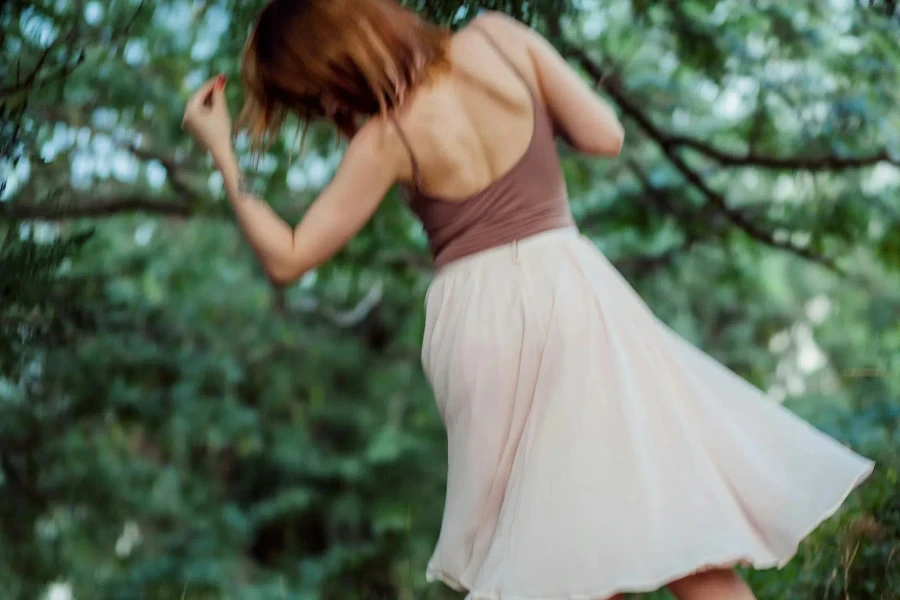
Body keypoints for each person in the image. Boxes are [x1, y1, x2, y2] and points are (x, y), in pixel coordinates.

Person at [181, 1, 875, 598]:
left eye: (314, 94)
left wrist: (224, 156)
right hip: (574, 292)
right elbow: (606, 135)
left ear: (333, 66)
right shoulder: (499, 37)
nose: (327, 108)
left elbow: (290, 257)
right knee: (679, 524)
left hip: (481, 327)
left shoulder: (386, 138)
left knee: (547, 555)